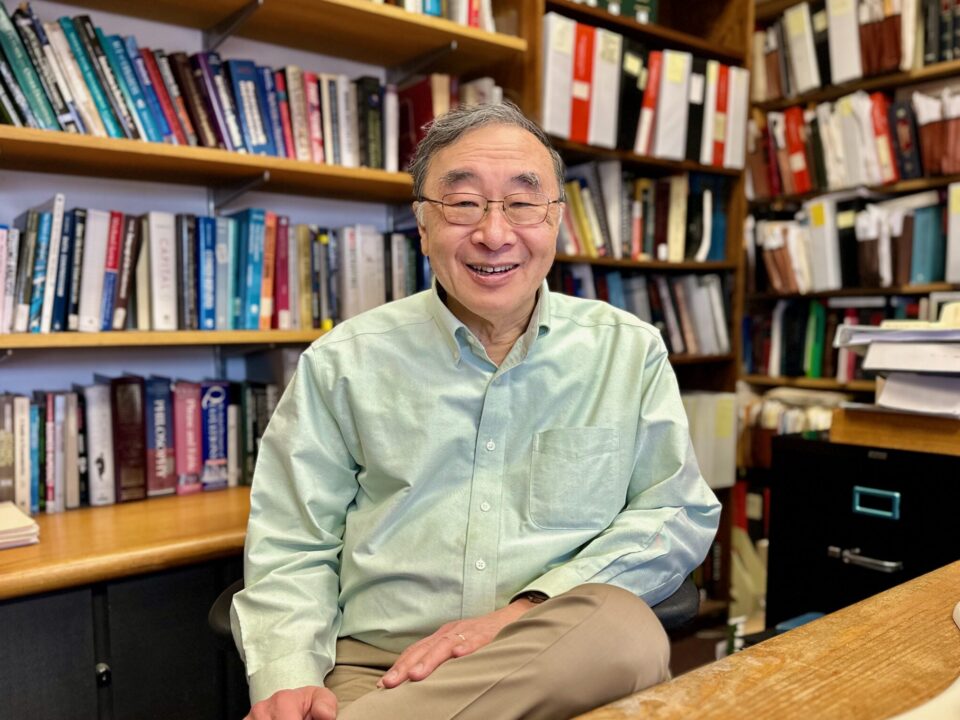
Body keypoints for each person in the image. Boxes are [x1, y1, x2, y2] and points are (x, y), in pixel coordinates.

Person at [232, 101, 721, 720]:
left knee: (623, 630)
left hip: (551, 656)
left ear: (556, 219)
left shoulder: (628, 351)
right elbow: (293, 541)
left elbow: (673, 512)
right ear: (422, 224)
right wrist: (289, 676)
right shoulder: (343, 361)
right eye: (463, 204)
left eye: (522, 203)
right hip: (381, 674)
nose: (494, 233)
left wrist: (518, 616)